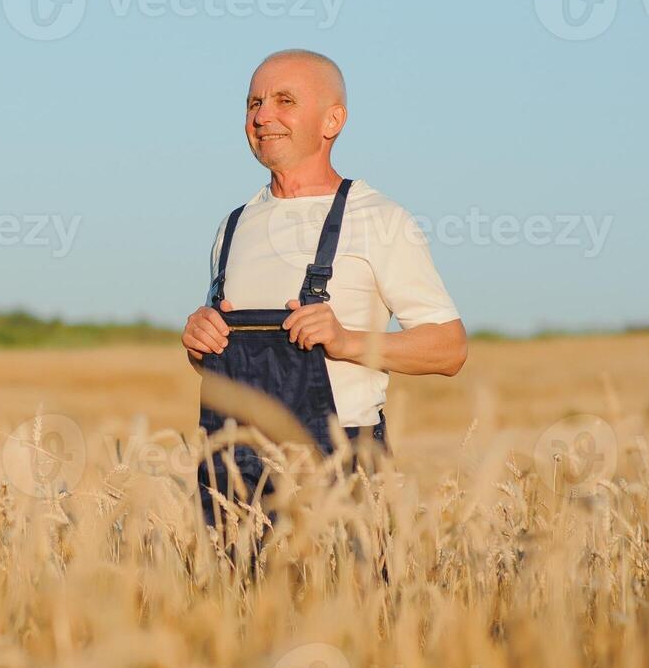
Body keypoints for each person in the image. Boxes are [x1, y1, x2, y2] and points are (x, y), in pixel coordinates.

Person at [182, 49, 467, 527]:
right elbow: (222, 369)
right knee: (231, 602)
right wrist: (199, 344)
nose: (263, 115)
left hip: (339, 469)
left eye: (284, 100)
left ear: (332, 120)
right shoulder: (233, 227)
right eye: (254, 103)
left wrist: (346, 341)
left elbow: (449, 349)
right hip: (234, 470)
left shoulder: (379, 219)